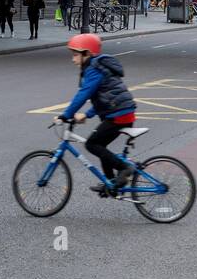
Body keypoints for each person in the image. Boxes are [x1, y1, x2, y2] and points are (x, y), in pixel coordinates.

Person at [57, 33, 138, 195]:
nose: (73, 59)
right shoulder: (96, 67)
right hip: (120, 112)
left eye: (75, 55)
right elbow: (102, 97)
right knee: (101, 146)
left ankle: (125, 168)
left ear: (87, 53)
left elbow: (85, 93)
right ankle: (111, 184)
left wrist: (65, 115)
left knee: (92, 144)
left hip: (119, 114)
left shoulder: (93, 68)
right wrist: (87, 115)